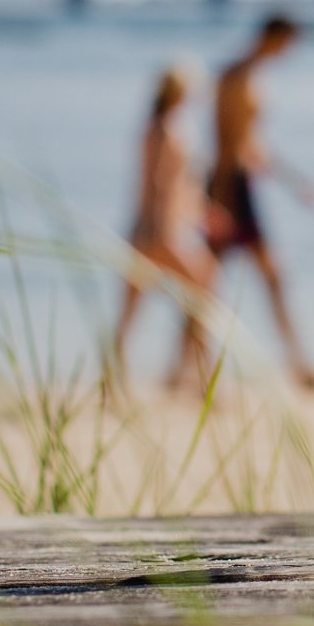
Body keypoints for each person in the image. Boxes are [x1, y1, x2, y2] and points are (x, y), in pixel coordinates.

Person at [207, 13, 314, 387]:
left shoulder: (250, 77)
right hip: (230, 187)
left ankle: (185, 371)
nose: (287, 52)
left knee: (209, 279)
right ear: (271, 37)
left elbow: (252, 145)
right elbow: (226, 143)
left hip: (238, 185)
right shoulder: (237, 77)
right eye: (286, 43)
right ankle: (300, 366)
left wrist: (295, 183)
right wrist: (220, 199)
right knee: (217, 279)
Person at [114, 65, 217, 387]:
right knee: (202, 295)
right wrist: (162, 229)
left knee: (130, 313)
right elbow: (161, 183)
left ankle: (116, 381)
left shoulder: (158, 126)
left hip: (147, 229)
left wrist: (201, 212)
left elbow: (172, 185)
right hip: (159, 232)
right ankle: (201, 379)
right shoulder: (167, 129)